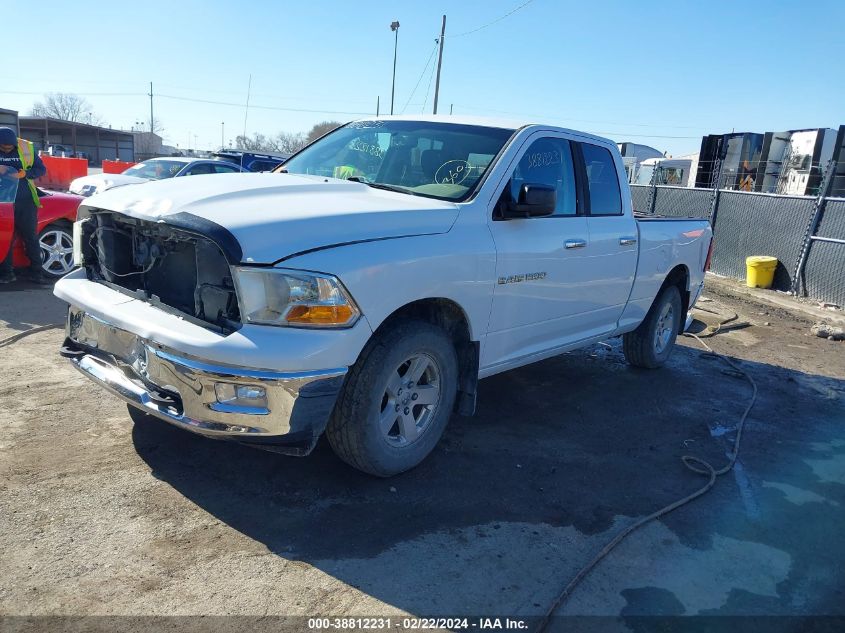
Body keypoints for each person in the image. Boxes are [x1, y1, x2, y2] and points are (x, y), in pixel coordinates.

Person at [0, 127, 50, 284]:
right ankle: (7, 274)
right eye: (3, 147)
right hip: (4, 202)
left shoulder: (26, 147)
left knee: (30, 237)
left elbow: (41, 169)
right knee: (5, 238)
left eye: (10, 147)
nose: (7, 149)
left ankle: (37, 273)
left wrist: (25, 174)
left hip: (25, 201)